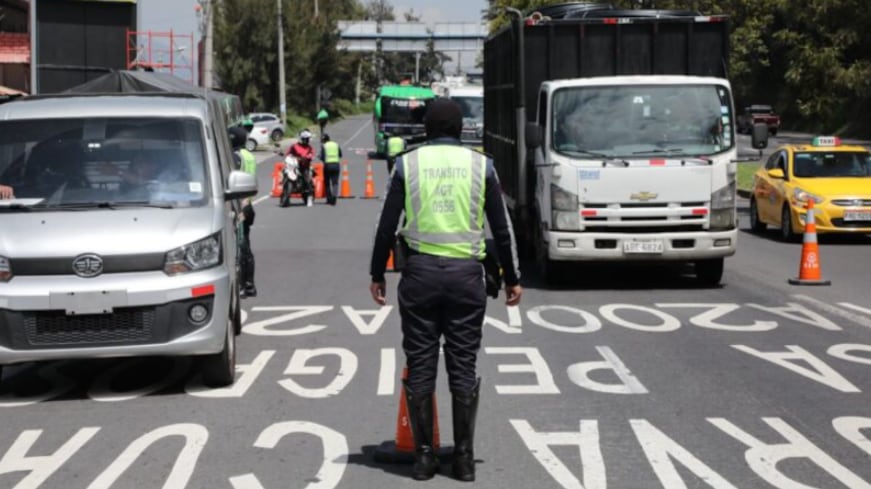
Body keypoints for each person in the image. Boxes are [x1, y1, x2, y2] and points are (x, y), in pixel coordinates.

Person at [369, 98, 523, 482]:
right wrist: (513, 277)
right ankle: (465, 460)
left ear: (427, 129)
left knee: (421, 363)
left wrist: (377, 273)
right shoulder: (481, 165)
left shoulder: (408, 163)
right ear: (459, 129)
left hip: (419, 275)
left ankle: (423, 459)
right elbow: (501, 228)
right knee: (463, 365)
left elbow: (386, 225)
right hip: (466, 276)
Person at [229, 126, 258, 298]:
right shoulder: (248, 155)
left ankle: (242, 286)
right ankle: (249, 285)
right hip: (248, 204)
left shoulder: (235, 156)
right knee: (245, 245)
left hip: (239, 204)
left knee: (239, 247)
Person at [286, 130, 316, 207]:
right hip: (294, 165)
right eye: (306, 139)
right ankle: (286, 191)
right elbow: (288, 153)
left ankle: (309, 198)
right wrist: (289, 156)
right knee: (286, 171)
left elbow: (312, 154)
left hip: (304, 166)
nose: (307, 141)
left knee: (307, 180)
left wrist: (307, 157)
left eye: (308, 139)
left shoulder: (309, 148)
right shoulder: (294, 146)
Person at [319, 133, 342, 206]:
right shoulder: (336, 144)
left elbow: (322, 157)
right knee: (335, 183)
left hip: (327, 165)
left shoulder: (324, 146)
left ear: (323, 140)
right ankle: (334, 198)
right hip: (336, 165)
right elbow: (340, 155)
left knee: (327, 183)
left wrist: (321, 158)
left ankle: (329, 199)